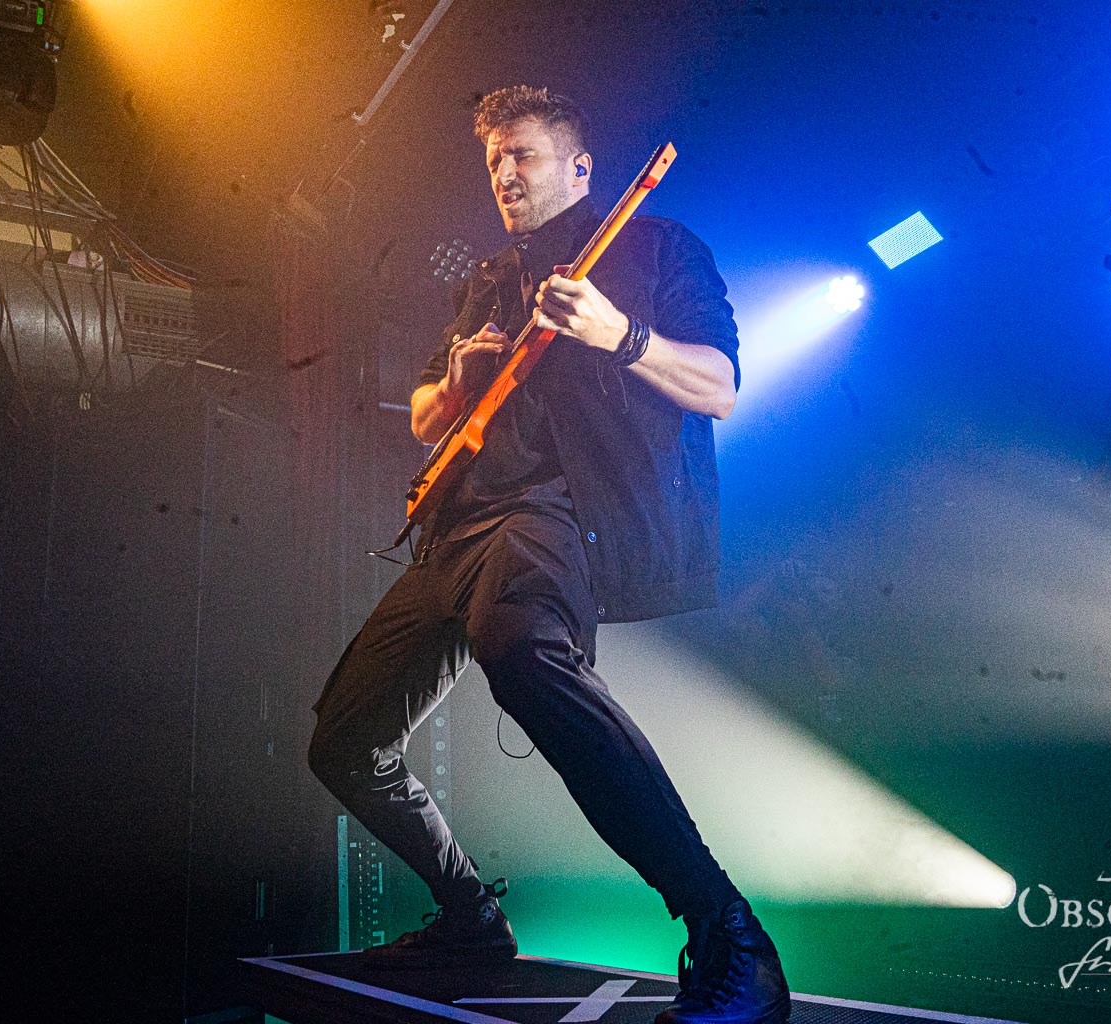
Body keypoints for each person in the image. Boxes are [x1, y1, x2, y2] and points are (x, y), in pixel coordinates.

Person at [306, 86, 789, 1023]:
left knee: (521, 651)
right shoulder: (488, 280)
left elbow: (721, 386)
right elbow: (424, 417)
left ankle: (730, 933)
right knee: (344, 744)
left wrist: (620, 334)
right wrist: (457, 380)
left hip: (554, 515)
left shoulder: (656, 248)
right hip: (453, 531)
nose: (504, 174)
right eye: (494, 161)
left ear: (578, 166)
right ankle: (469, 917)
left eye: (522, 155)